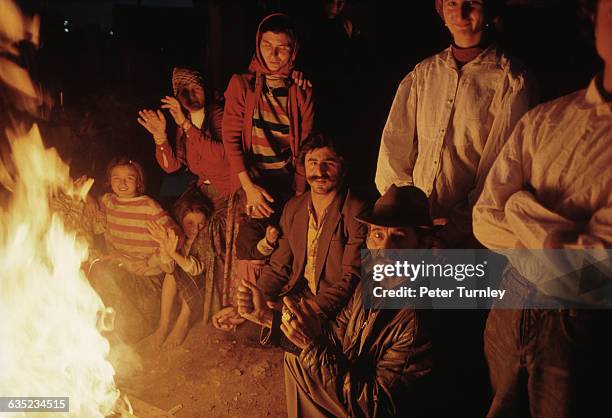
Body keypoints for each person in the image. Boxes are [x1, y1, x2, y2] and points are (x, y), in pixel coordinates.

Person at [472, 1, 612, 416]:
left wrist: (517, 204)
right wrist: (556, 237)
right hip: (512, 299)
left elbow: (587, 274)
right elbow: (484, 219)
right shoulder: (545, 120)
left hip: (579, 327)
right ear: (594, 16)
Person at [237, 185, 435, 417]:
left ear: (422, 247)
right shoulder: (370, 285)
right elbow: (334, 338)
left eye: (399, 239)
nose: (385, 250)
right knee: (298, 360)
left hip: (371, 408)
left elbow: (377, 407)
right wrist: (266, 316)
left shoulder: (417, 318)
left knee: (307, 360)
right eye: (378, 235)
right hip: (355, 388)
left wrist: (312, 346)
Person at [375, 0, 535, 248]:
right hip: (413, 231)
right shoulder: (423, 73)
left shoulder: (511, 79)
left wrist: (454, 229)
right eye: (452, 2)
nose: (460, 13)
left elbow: (499, 168)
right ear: (441, 10)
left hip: (471, 233)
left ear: (489, 11)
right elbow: (393, 145)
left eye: (471, 3)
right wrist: (408, 214)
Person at [255, 133, 368, 319]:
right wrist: (258, 298)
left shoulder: (356, 210)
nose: (319, 171)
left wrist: (301, 311)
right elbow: (278, 267)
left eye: (329, 163)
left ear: (343, 168)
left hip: (335, 306)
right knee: (246, 326)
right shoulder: (293, 207)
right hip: (299, 296)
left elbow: (351, 279)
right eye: (312, 162)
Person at [222, 13, 315, 220]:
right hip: (251, 178)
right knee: (254, 244)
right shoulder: (241, 85)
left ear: (293, 50)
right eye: (267, 45)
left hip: (287, 178)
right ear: (258, 44)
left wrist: (299, 194)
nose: (273, 55)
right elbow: (230, 138)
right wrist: (248, 187)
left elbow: (305, 146)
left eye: (283, 48)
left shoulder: (301, 90)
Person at [87, 157, 181, 343]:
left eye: (129, 178)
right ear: (109, 181)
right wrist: (89, 198)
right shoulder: (108, 201)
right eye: (116, 178)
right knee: (98, 270)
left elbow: (175, 235)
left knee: (139, 324)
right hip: (124, 271)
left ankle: (135, 331)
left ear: (138, 182)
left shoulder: (148, 206)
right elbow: (85, 196)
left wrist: (151, 261)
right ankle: (112, 328)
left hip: (149, 277)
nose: (122, 183)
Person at [138, 67, 235, 199]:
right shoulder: (183, 123)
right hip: (205, 193)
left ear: (205, 91)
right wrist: (160, 137)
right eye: (184, 92)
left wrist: (185, 124)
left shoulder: (216, 113)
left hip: (231, 190)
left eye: (196, 89)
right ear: (177, 97)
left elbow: (220, 156)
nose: (191, 96)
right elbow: (172, 167)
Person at [146, 190, 214, 348]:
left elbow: (195, 270)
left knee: (186, 272)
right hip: (179, 288)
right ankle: (163, 325)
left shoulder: (204, 240)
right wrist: (165, 249)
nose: (195, 229)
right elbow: (167, 267)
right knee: (171, 274)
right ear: (180, 219)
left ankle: (181, 324)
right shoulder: (177, 237)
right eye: (190, 223)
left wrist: (173, 254)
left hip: (198, 291)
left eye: (200, 224)